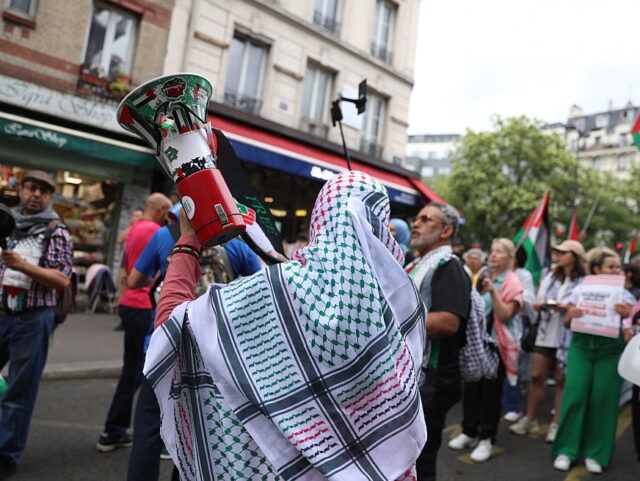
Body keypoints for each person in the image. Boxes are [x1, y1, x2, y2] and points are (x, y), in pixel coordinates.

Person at [144, 171, 426, 481]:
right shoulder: (399, 301)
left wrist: (187, 241)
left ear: (318, 220)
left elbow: (172, 325)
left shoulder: (282, 290)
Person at [124, 207, 262, 481]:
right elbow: (255, 287)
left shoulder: (164, 235)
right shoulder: (237, 242)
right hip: (213, 353)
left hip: (163, 347)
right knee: (198, 431)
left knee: (148, 430)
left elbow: (133, 281)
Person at [0, 171, 74, 477]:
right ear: (20, 190)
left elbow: (61, 279)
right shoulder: (7, 224)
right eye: (31, 188)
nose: (36, 194)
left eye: (44, 191)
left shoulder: (57, 231)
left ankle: (6, 456)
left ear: (51, 197)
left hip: (33, 320)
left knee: (19, 393)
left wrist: (22, 266)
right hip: (2, 313)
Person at [95, 193, 172, 453]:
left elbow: (131, 270)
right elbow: (148, 274)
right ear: (160, 209)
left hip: (129, 302)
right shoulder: (157, 231)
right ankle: (120, 431)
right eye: (167, 213)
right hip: (143, 306)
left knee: (131, 372)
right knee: (142, 374)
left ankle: (114, 430)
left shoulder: (134, 228)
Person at [551, 248, 634, 473]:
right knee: (575, 396)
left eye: (618, 267)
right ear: (597, 270)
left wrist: (626, 318)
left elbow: (628, 331)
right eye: (611, 267)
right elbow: (567, 322)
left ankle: (596, 452)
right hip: (582, 348)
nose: (617, 271)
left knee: (603, 400)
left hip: (609, 351)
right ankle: (566, 449)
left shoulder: (626, 296)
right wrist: (571, 315)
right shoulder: (580, 290)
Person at [405, 202, 470, 481]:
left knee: (420, 463)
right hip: (409, 378)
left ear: (446, 230)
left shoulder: (448, 265)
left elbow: (447, 321)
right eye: (416, 218)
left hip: (428, 382)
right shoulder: (415, 263)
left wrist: (387, 326)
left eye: (425, 219)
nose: (415, 224)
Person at [449, 238, 523, 463]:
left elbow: (504, 314)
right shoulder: (482, 275)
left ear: (510, 258)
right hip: (476, 343)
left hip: (495, 346)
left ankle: (486, 438)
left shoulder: (512, 282)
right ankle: (469, 431)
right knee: (472, 389)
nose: (493, 255)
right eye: (492, 251)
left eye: (500, 252)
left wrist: (492, 291)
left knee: (489, 394)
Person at [510, 240, 586, 443]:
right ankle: (530, 418)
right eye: (557, 251)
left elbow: (583, 308)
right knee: (536, 376)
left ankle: (556, 423)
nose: (558, 255)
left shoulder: (585, 282)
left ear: (574, 256)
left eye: (563, 252)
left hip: (568, 336)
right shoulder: (551, 276)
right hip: (545, 333)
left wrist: (568, 309)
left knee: (562, 380)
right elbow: (536, 303)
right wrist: (549, 305)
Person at [502, 246, 536, 422]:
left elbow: (529, 300)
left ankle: (512, 405)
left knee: (513, 364)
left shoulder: (523, 275)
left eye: (501, 252)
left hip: (515, 322)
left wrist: (512, 297)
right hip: (494, 323)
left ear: (514, 257)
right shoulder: (492, 273)